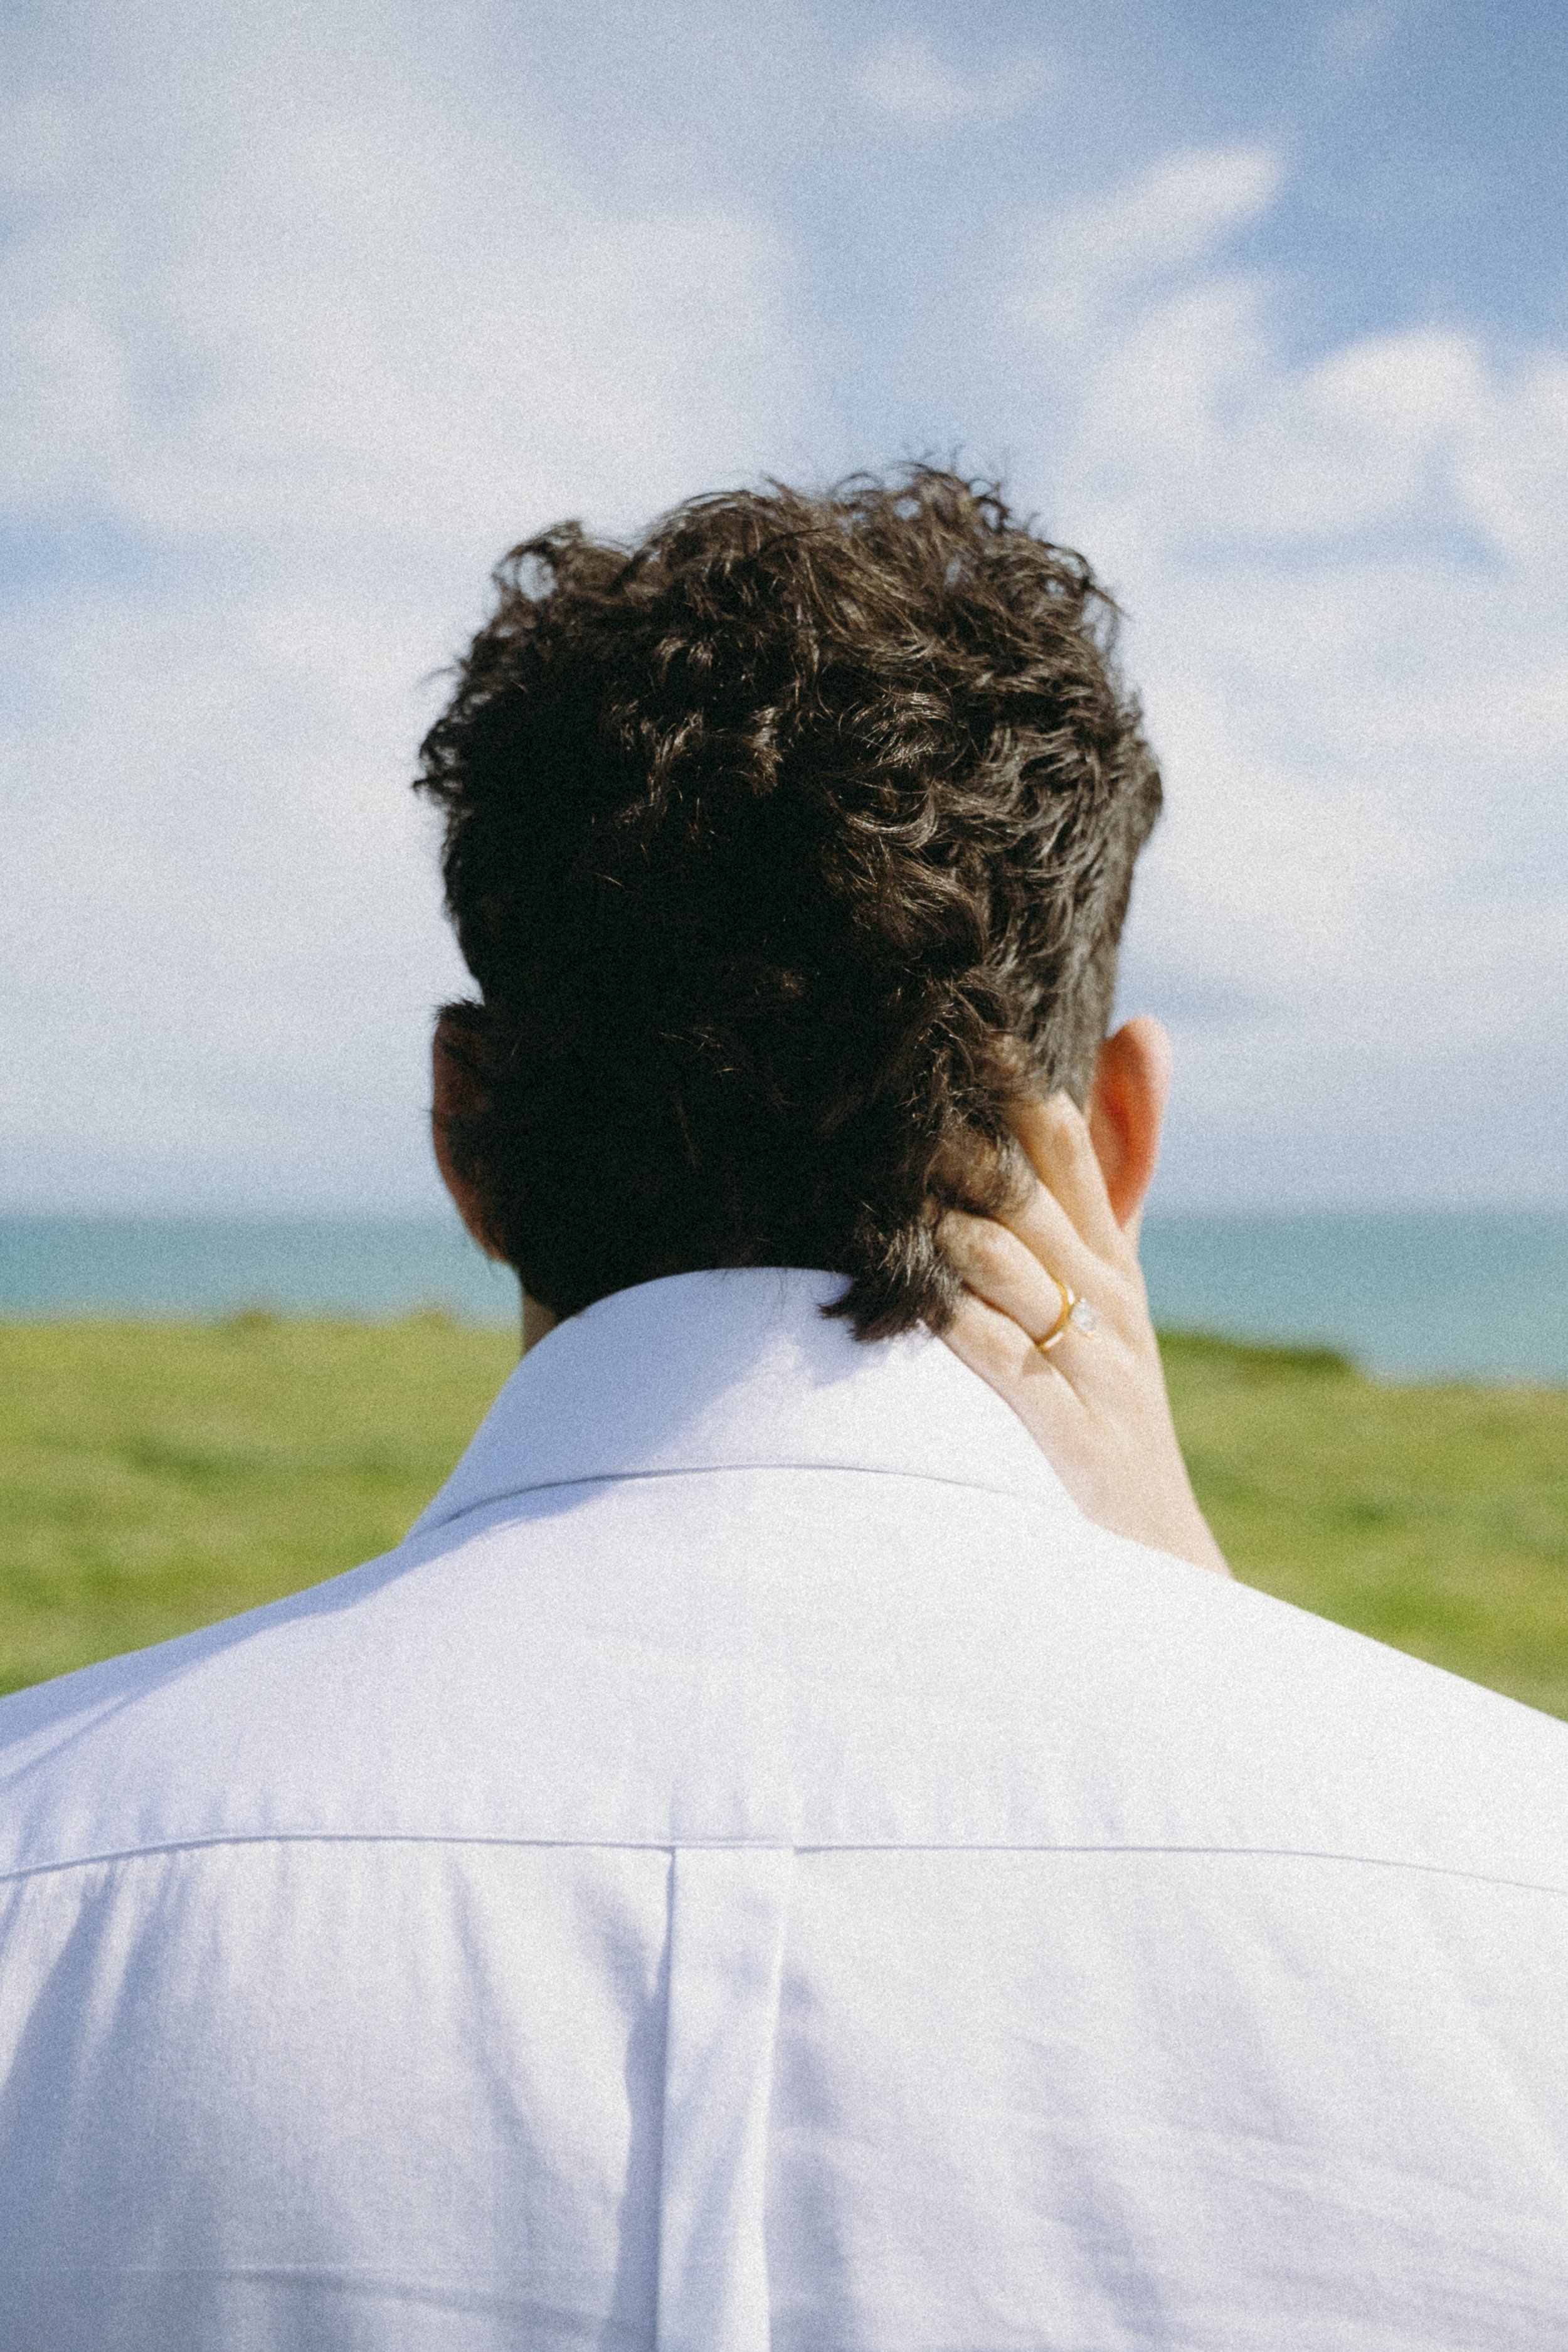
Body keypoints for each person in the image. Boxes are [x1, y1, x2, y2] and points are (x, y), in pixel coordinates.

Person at [1, 470, 1564, 2349]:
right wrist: (1210, 1640)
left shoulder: (41, 1868)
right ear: (1118, 1133)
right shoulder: (1509, 1890)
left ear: (466, 1125)